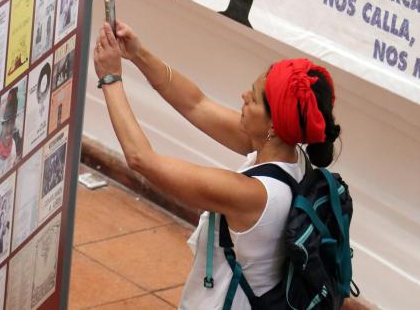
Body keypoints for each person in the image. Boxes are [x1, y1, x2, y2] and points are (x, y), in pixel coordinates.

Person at [93, 20, 360, 309]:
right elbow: (195, 104)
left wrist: (110, 79)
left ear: (274, 124)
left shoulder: (253, 195)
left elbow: (142, 160)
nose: (243, 97)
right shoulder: (291, 156)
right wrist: (137, 53)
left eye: (254, 97)